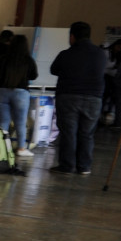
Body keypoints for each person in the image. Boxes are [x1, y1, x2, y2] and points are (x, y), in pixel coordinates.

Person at [50, 21, 107, 175]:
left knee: (69, 133)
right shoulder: (101, 54)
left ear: (72, 36)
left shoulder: (66, 54)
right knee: (87, 133)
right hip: (94, 99)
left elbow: (53, 70)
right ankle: (84, 167)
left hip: (68, 97)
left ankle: (67, 166)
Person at [0, 34, 38, 159]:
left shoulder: (4, 58)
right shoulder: (28, 60)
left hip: (1, 92)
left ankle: (0, 148)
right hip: (21, 94)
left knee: (3, 121)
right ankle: (21, 148)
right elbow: (34, 76)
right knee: (20, 122)